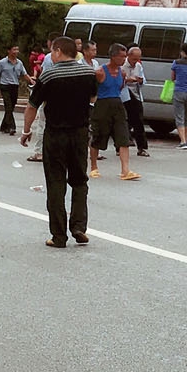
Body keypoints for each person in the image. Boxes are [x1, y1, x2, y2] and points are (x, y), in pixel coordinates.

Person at [23, 35, 103, 246]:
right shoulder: (88, 72)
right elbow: (93, 99)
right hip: (79, 133)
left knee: (56, 183)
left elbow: (32, 105)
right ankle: (78, 226)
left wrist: (26, 130)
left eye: (52, 51)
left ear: (58, 51)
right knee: (79, 181)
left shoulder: (49, 75)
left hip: (56, 134)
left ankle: (59, 235)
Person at [91, 44, 140, 180]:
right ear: (113, 56)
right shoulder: (100, 72)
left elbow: (120, 88)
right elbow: (92, 91)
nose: (124, 59)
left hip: (117, 105)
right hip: (102, 105)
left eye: (125, 56)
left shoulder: (122, 73)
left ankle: (125, 170)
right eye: (121, 56)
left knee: (123, 136)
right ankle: (94, 167)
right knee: (98, 137)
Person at [121, 45, 150, 155]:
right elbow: (117, 80)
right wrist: (127, 80)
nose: (135, 61)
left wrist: (140, 81)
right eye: (134, 59)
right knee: (122, 120)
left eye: (138, 59)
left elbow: (143, 80)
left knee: (138, 121)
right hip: (124, 94)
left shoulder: (138, 65)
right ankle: (120, 145)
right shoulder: (122, 65)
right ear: (129, 56)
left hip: (136, 94)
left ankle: (142, 147)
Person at [0, 45, 28, 135]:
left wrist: (32, 81)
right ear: (8, 51)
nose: (16, 51)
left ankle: (4, 126)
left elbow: (24, 74)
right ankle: (11, 127)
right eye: (14, 49)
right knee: (8, 106)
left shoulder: (19, 63)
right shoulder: (2, 62)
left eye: (17, 49)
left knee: (11, 107)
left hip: (14, 86)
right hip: (5, 86)